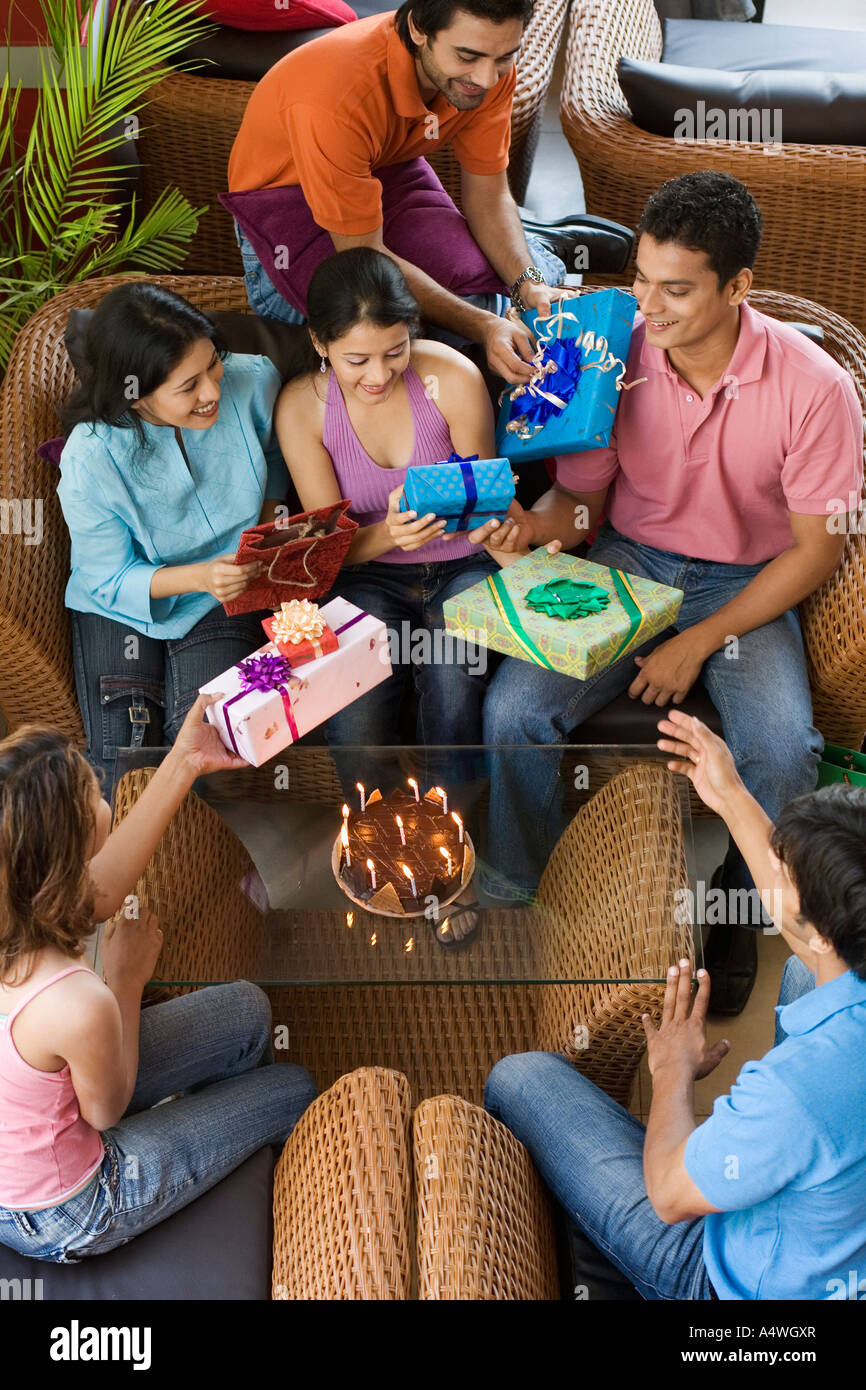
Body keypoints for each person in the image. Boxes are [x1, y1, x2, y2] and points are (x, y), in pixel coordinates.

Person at [480, 170, 863, 1011]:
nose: (649, 310)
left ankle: (739, 900)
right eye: (641, 282)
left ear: (738, 288)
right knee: (514, 713)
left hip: (749, 580)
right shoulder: (610, 354)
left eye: (677, 292)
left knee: (783, 746)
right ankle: (526, 887)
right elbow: (582, 504)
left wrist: (698, 638)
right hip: (627, 558)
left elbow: (814, 553)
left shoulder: (815, 389)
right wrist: (529, 527)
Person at [485, 710, 866, 1301]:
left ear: (821, 928)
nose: (773, 871)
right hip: (837, 1219)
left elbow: (667, 1195)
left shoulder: (796, 1092)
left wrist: (671, 1072)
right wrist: (730, 791)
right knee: (800, 974)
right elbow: (811, 943)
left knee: (520, 1075)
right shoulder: (840, 946)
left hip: (727, 1279)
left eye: (783, 874)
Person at [0, 696, 317, 1263]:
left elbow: (99, 892)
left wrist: (185, 760)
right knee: (295, 1089)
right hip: (61, 1206)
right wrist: (124, 980)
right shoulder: (76, 1001)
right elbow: (105, 1112)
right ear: (62, 863)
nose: (101, 791)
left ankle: (212, 1121)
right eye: (88, 793)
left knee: (248, 1011)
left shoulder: (19, 900)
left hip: (42, 1102)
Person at [275, 247, 519, 943]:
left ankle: (449, 856)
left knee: (452, 678)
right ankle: (375, 845)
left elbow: (489, 499)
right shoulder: (301, 408)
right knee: (354, 702)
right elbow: (330, 552)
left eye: (395, 351)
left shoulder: (454, 378)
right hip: (369, 573)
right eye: (356, 360)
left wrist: (490, 522)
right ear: (321, 345)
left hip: (462, 565)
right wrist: (390, 535)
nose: (379, 374)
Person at [225, 0, 581, 384]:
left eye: (504, 57)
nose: (486, 79)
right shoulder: (338, 97)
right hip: (285, 207)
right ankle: (540, 244)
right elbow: (364, 257)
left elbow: (490, 196)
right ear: (417, 30)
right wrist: (484, 327)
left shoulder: (489, 67)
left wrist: (527, 281)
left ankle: (535, 256)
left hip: (386, 169)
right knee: (393, 342)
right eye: (466, 56)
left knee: (497, 294)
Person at [57, 282, 290, 798]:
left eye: (213, 363)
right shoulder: (90, 458)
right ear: (135, 393)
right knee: (127, 761)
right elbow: (107, 575)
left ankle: (200, 867)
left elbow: (275, 456)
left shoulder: (254, 382)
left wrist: (269, 523)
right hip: (118, 605)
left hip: (219, 599)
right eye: (189, 386)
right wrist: (203, 574)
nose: (212, 390)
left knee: (206, 746)